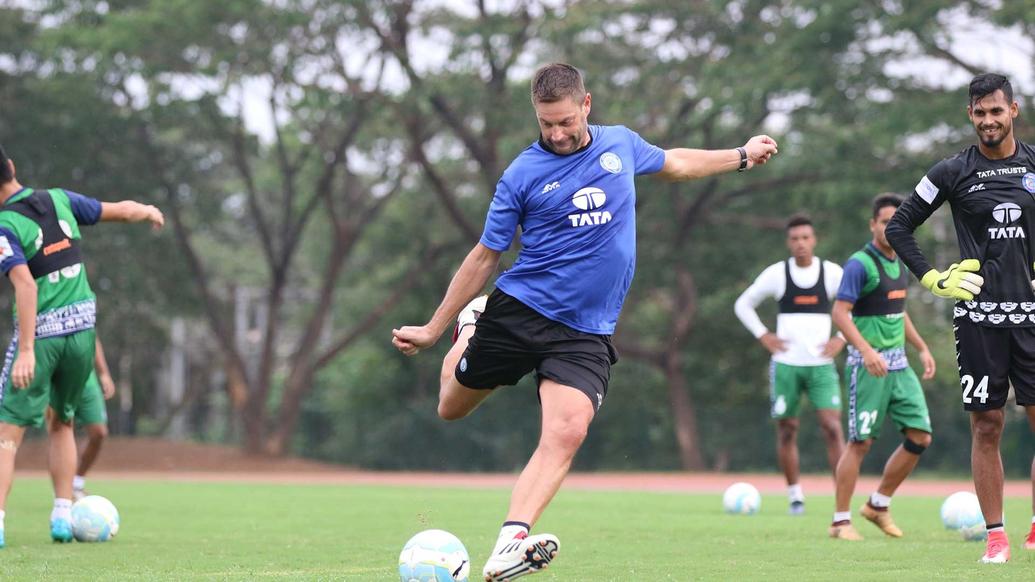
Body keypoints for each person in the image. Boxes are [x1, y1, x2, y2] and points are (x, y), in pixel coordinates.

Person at [392, 63, 778, 580]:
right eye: (545, 123)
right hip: (519, 314)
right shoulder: (522, 174)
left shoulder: (620, 144)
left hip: (585, 332)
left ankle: (509, 544)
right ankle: (469, 327)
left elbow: (677, 163)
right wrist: (436, 328)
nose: (555, 133)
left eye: (565, 121)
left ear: (587, 105)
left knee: (568, 431)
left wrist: (741, 157)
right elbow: (486, 254)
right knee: (451, 408)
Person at [886, 72, 1035, 564]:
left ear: (1013, 110)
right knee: (987, 426)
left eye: (997, 110)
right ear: (969, 115)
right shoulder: (951, 171)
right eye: (980, 112)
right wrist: (932, 279)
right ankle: (996, 537)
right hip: (977, 319)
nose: (989, 120)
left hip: (1033, 318)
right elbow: (899, 226)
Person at [0, 144, 163, 547]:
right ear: (12, 167)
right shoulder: (60, 199)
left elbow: (23, 283)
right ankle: (61, 516)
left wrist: (26, 350)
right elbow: (121, 211)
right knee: (64, 423)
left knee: (7, 435)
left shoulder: (4, 225)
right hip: (83, 334)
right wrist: (146, 210)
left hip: (44, 336)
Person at [827, 193, 936, 541]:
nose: (891, 228)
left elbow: (898, 313)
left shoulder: (901, 262)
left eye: (897, 221)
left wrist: (921, 348)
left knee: (920, 435)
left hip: (900, 366)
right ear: (873, 224)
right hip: (868, 367)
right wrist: (867, 351)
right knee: (860, 443)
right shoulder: (860, 264)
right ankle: (840, 521)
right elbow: (840, 314)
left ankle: (878, 504)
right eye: (885, 221)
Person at [734, 214, 846, 515]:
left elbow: (858, 305)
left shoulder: (832, 273)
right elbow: (743, 304)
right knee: (787, 429)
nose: (801, 244)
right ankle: (795, 496)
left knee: (833, 427)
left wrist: (841, 338)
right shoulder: (777, 274)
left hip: (821, 366)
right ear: (788, 242)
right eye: (795, 239)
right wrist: (763, 335)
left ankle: (842, 498)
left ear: (814, 240)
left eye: (806, 238)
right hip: (786, 364)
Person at [44, 336, 116, 501]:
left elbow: (93, 337)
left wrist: (104, 373)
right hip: (56, 379)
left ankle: (76, 482)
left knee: (99, 433)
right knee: (58, 431)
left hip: (86, 382)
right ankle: (61, 489)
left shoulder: (83, 312)